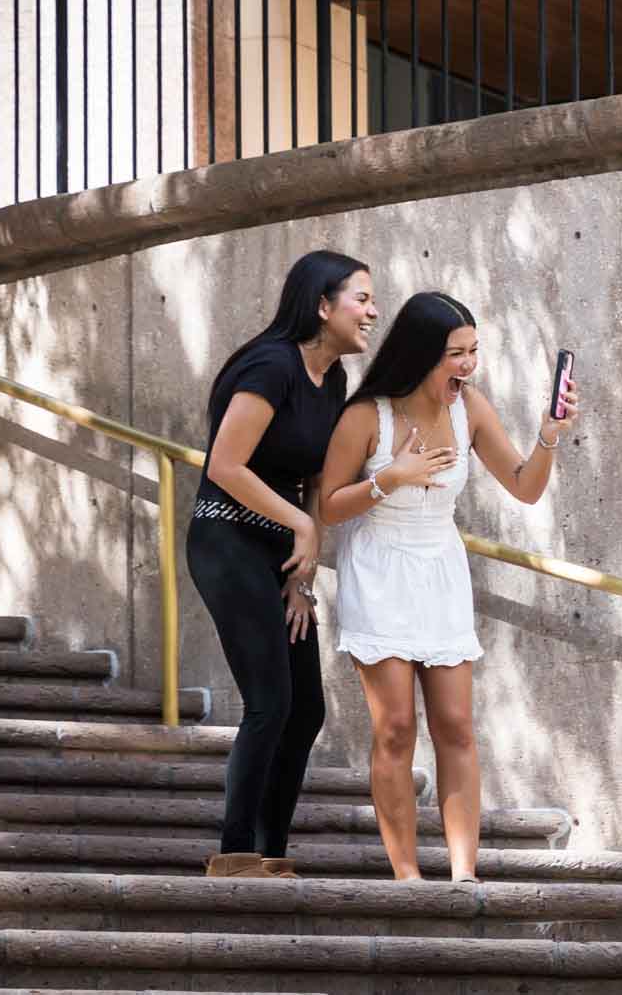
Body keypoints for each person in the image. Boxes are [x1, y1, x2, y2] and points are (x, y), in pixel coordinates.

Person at [318, 291, 582, 883]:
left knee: (457, 725)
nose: (467, 365)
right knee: (395, 728)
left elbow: (525, 487)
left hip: (440, 566)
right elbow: (329, 508)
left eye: (473, 352)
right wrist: (391, 478)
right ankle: (407, 876)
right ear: (419, 356)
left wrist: (549, 435)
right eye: (455, 355)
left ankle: (465, 875)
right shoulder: (367, 417)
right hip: (380, 568)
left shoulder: (470, 409)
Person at [188, 249, 377, 880]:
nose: (373, 311)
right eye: (362, 299)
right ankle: (234, 852)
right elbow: (225, 466)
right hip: (225, 540)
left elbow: (317, 489)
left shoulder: (335, 384)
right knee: (269, 699)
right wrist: (297, 525)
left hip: (279, 554)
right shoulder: (270, 366)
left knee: (307, 710)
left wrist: (301, 576)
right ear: (322, 306)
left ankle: (270, 853)